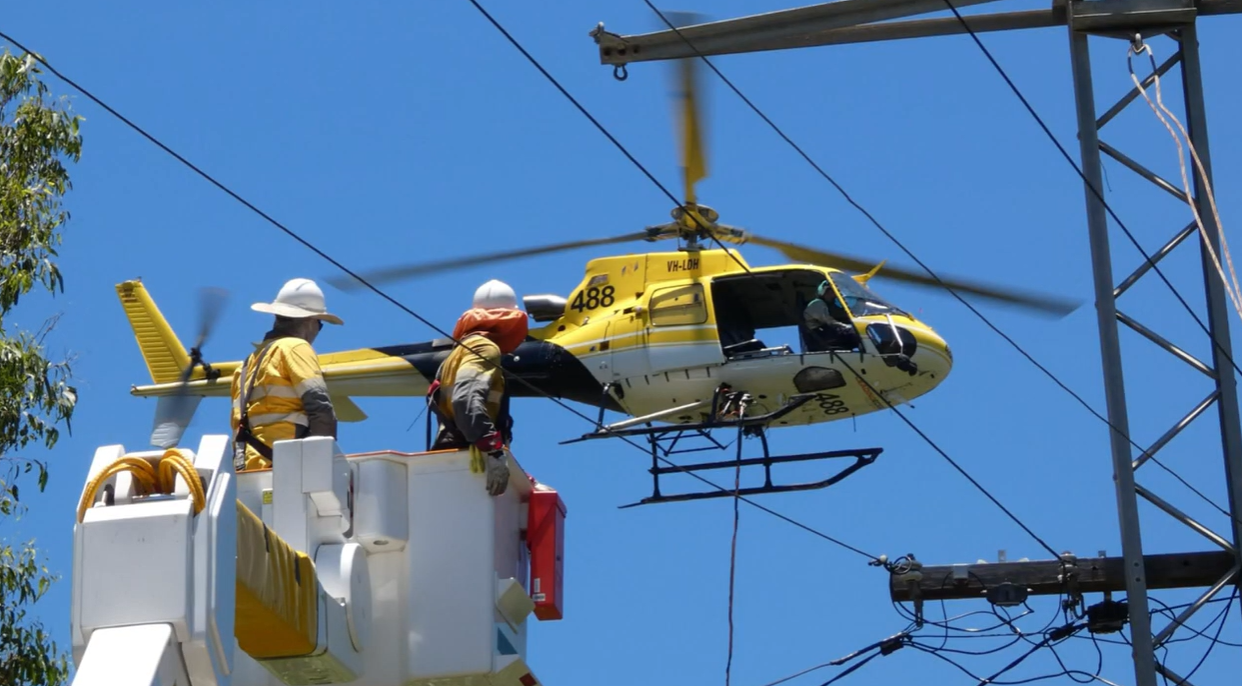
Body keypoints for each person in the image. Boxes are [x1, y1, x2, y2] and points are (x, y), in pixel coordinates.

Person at [427, 280, 529, 496]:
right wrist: (493, 449)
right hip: (470, 463)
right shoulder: (485, 347)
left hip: (454, 458)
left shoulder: (461, 351)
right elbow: (465, 399)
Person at [231, 278, 343, 471]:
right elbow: (320, 408)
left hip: (247, 468)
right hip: (286, 466)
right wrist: (322, 466)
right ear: (309, 321)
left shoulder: (245, 367)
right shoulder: (295, 347)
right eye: (320, 324)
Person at [803, 279, 859, 352]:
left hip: (823, 334)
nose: (835, 294)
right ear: (826, 291)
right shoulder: (817, 303)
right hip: (819, 335)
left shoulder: (824, 304)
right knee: (853, 333)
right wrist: (846, 327)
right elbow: (828, 321)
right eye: (832, 291)